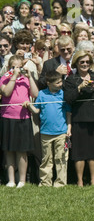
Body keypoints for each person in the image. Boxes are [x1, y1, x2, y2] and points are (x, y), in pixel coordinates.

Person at [63, 50, 94, 187]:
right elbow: (68, 99)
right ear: (76, 63)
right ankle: (80, 181)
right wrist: (79, 88)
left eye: (87, 62)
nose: (84, 64)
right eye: (82, 62)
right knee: (79, 152)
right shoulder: (71, 79)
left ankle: (93, 181)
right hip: (79, 118)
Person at [23, 70, 72, 187]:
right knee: (46, 159)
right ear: (48, 83)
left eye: (61, 82)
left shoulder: (64, 94)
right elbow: (36, 110)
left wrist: (69, 128)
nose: (60, 84)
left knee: (61, 158)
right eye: (57, 83)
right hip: (45, 133)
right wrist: (29, 106)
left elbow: (68, 113)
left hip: (61, 132)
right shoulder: (42, 94)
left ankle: (60, 183)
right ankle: (45, 182)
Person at [0, 55, 39, 188]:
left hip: (23, 118)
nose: (17, 69)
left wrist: (29, 76)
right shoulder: (4, 78)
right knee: (9, 150)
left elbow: (35, 94)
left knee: (22, 151)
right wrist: (13, 76)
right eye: (13, 67)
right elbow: (6, 92)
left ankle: (22, 180)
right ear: (9, 67)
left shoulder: (26, 79)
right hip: (8, 118)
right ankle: (11, 180)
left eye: (19, 67)